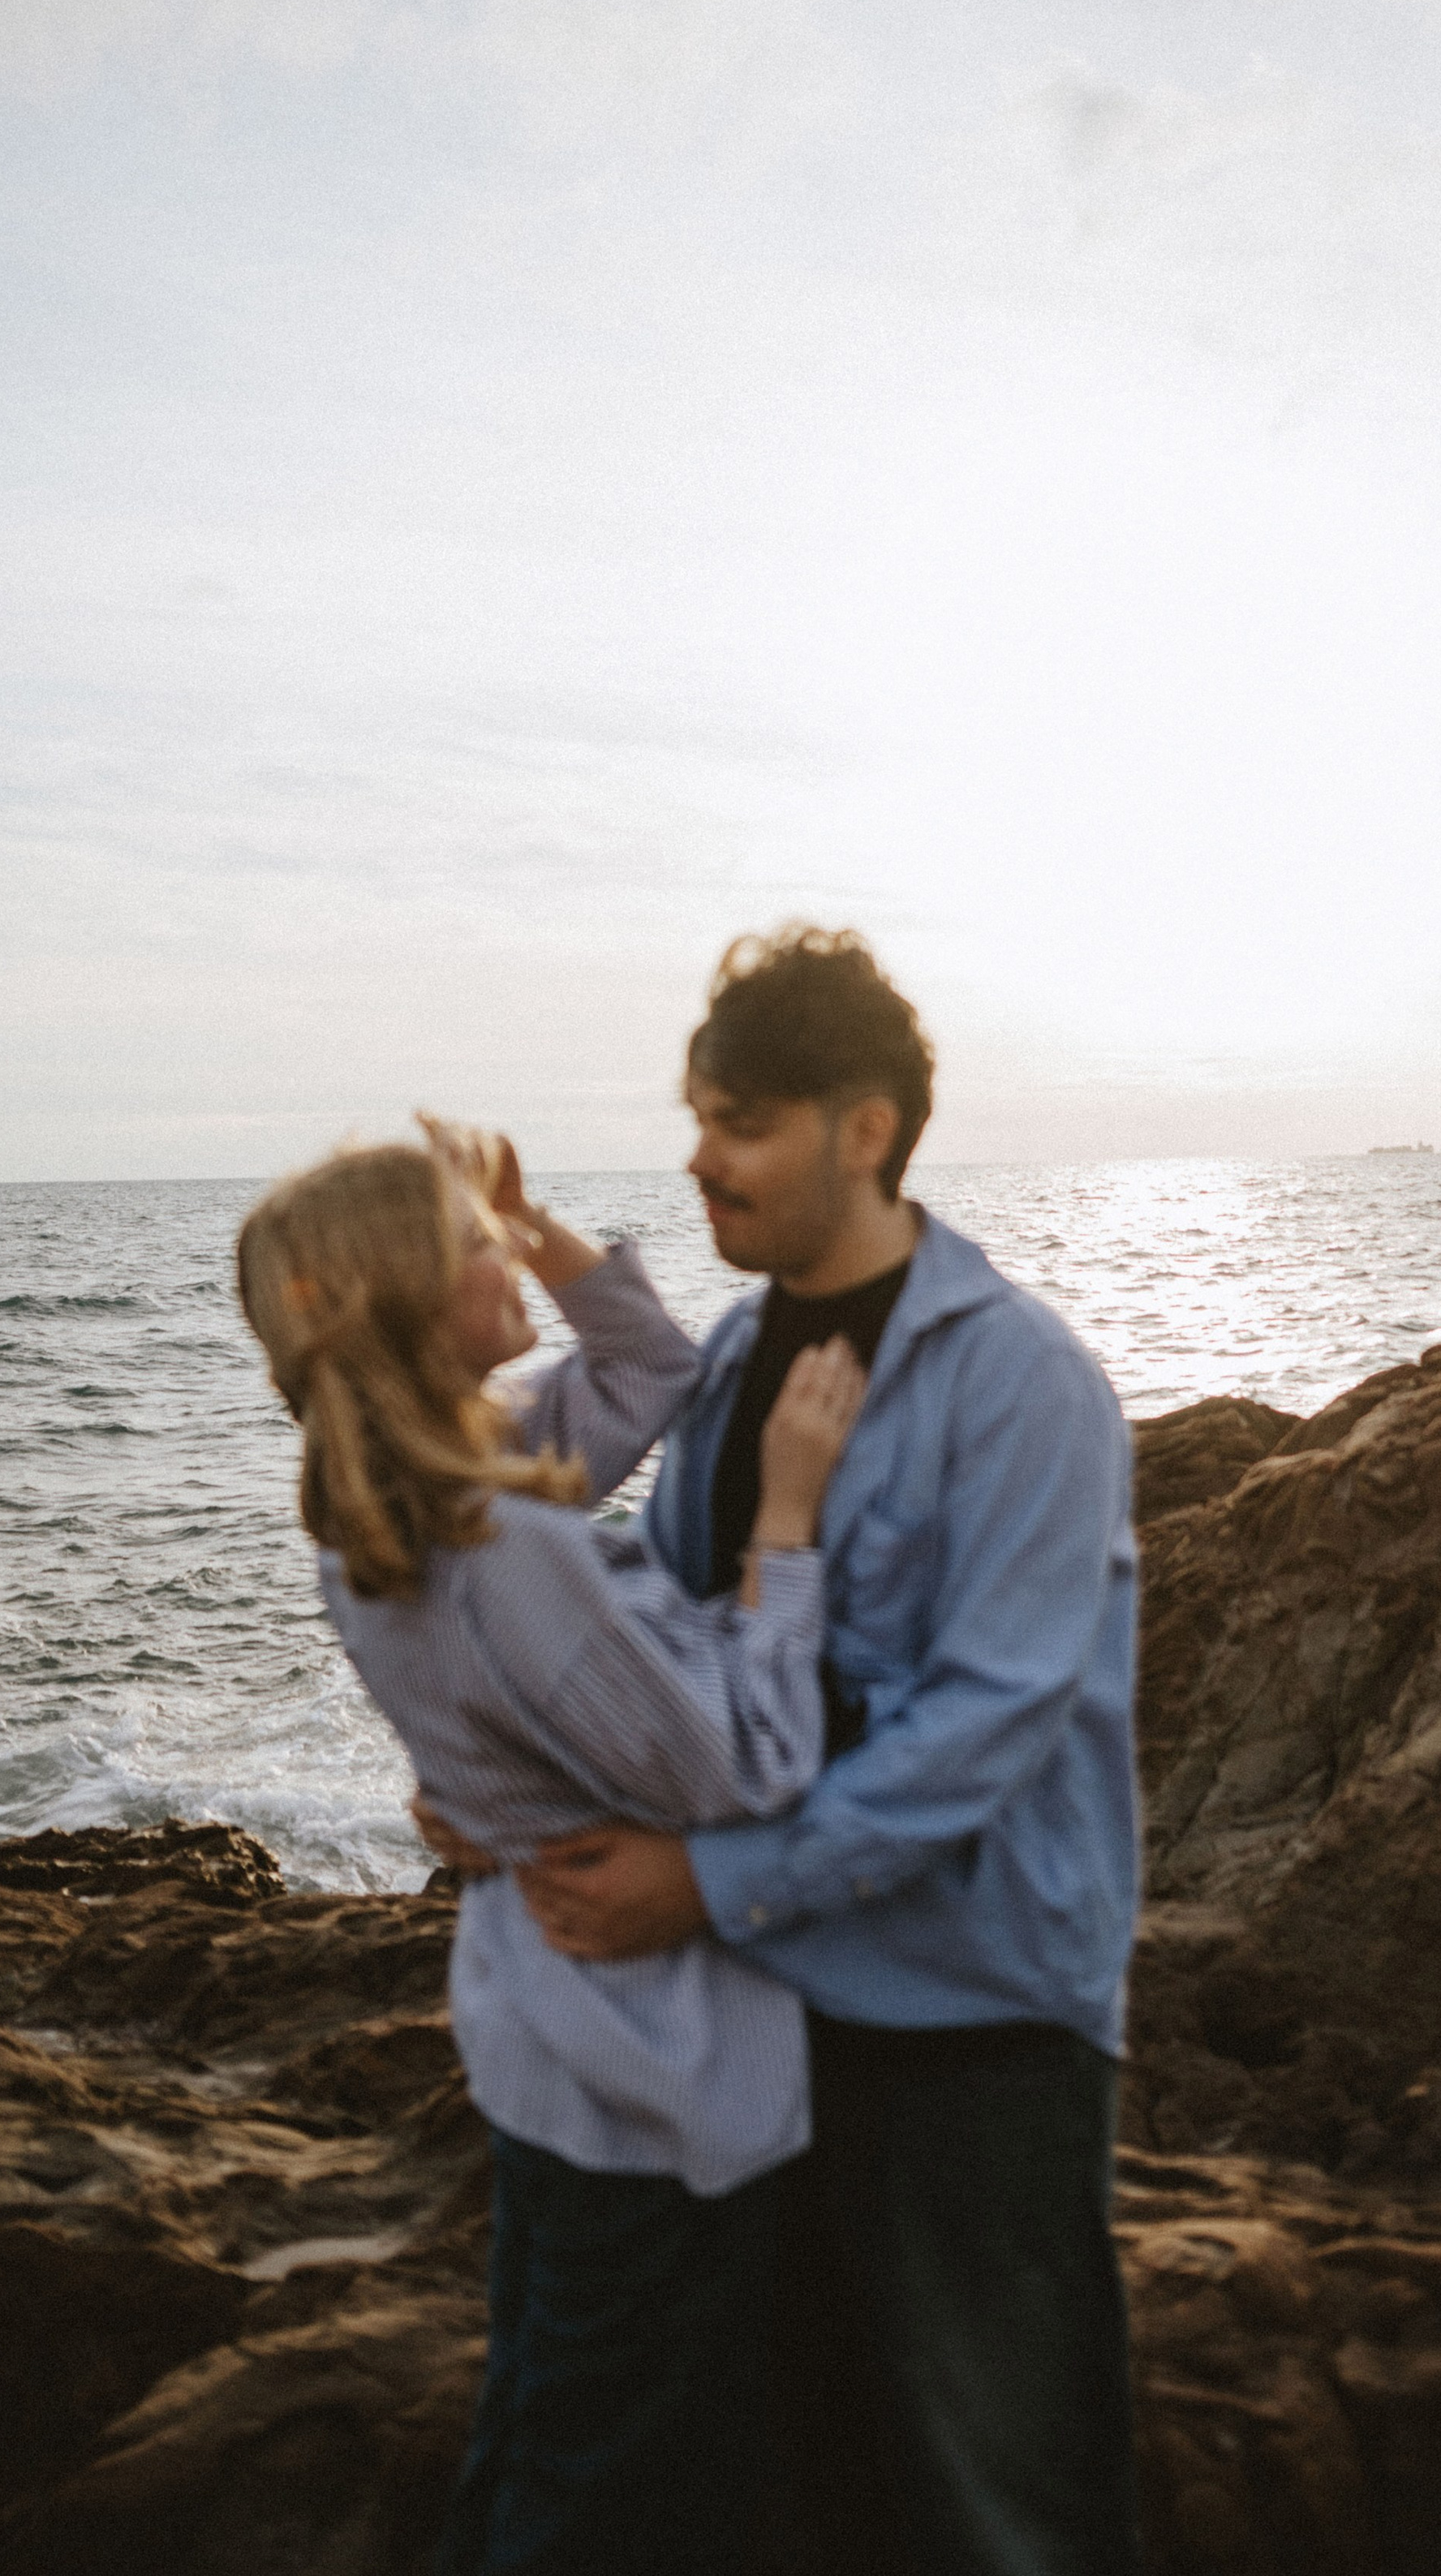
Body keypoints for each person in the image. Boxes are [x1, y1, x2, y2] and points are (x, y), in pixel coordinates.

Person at [420, 931, 1145, 2576]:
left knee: (995, 2511)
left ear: (864, 1130)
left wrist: (705, 1880)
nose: (698, 1157)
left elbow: (987, 1729)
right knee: (800, 2496)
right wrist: (496, 1789)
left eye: (739, 1121)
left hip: (971, 2021)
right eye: (697, 1116)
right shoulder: (738, 1360)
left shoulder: (1023, 1385)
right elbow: (661, 1655)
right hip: (760, 2015)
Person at [235, 1118, 866, 2576]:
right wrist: (786, 1518)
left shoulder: (405, 1493)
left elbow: (652, 1370)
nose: (502, 1251)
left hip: (547, 2042)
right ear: (406, 1297)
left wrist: (533, 1226)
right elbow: (748, 1770)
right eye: (472, 1243)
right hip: (644, 2061)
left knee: (538, 2419)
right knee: (619, 2482)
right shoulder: (495, 1535)